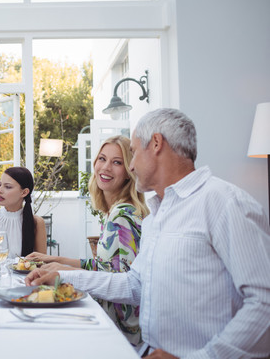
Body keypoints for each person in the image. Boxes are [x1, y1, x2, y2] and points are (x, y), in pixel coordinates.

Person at [26, 108, 270, 359]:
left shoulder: (224, 203)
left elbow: (264, 303)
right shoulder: (156, 217)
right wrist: (63, 276)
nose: (131, 165)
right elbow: (134, 285)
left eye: (133, 152)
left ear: (156, 143)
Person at [26, 135, 149, 348]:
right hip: (109, 316)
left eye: (117, 162)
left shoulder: (123, 214)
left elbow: (126, 282)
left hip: (120, 330)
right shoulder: (114, 212)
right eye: (102, 159)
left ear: (129, 173)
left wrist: (63, 271)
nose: (106, 167)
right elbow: (107, 267)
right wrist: (55, 259)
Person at [0, 166, 47, 257]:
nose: (0, 190)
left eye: (8, 187)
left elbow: (41, 264)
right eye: (0, 185)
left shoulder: (37, 223)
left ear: (24, 192)